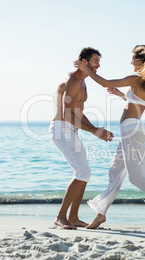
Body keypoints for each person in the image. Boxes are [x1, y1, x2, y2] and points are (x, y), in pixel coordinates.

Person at [74, 44, 145, 230]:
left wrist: (86, 70)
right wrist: (121, 96)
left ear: (141, 61)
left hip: (131, 131)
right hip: (131, 130)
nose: (130, 62)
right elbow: (136, 103)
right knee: (115, 171)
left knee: (137, 176)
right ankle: (101, 214)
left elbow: (105, 82)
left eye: (133, 59)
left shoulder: (137, 78)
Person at [49, 47, 114, 230]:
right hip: (61, 129)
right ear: (84, 62)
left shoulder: (83, 84)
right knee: (81, 172)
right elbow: (68, 115)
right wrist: (94, 131)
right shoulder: (71, 80)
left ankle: (74, 217)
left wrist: (95, 130)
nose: (98, 65)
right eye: (95, 61)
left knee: (85, 173)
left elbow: (78, 114)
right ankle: (60, 217)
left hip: (72, 130)